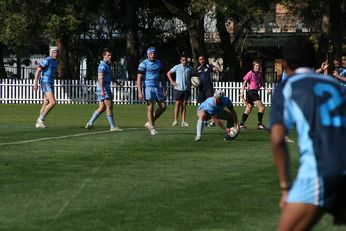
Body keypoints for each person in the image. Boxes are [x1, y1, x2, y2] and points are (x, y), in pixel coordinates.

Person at [270, 37, 346, 230]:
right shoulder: (335, 85)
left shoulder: (288, 87)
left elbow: (278, 139)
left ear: (283, 63)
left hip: (321, 171)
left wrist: (286, 186)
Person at [85, 49, 122, 131]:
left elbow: (111, 76)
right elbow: (100, 79)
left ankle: (90, 123)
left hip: (104, 88)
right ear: (104, 56)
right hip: (104, 89)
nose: (110, 57)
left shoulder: (107, 65)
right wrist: (102, 90)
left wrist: (117, 83)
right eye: (108, 55)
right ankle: (112, 127)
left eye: (110, 55)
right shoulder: (102, 66)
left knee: (102, 108)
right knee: (109, 107)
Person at [137, 47, 167, 135]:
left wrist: (164, 87)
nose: (152, 55)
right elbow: (139, 78)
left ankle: (150, 122)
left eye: (153, 53)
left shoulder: (159, 63)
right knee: (150, 107)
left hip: (157, 87)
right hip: (148, 87)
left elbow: (162, 76)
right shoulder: (143, 64)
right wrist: (139, 91)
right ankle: (152, 128)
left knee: (163, 106)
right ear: (148, 54)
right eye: (151, 53)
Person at [239, 60, 271, 130]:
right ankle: (259, 124)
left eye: (259, 66)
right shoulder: (250, 73)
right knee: (262, 107)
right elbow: (244, 82)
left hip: (255, 92)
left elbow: (262, 83)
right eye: (256, 66)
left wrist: (267, 89)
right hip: (252, 92)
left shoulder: (259, 74)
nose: (258, 67)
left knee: (248, 108)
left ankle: (241, 124)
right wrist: (241, 92)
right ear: (253, 66)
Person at [33, 46, 59, 128]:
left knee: (46, 102)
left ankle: (39, 123)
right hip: (45, 82)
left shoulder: (55, 61)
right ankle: (40, 119)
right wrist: (36, 83)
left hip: (50, 83)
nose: (56, 54)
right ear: (51, 52)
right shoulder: (46, 60)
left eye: (57, 52)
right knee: (53, 102)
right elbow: (38, 71)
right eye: (54, 52)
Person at [167, 54, 194, 127]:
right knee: (177, 104)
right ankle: (175, 121)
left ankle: (183, 121)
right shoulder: (177, 67)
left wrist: (191, 83)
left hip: (186, 89)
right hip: (178, 89)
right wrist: (172, 82)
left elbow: (194, 76)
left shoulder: (190, 68)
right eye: (183, 60)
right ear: (180, 60)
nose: (185, 61)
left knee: (184, 105)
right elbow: (168, 73)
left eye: (185, 60)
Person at [196, 55, 220, 127]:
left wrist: (215, 69)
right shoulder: (198, 68)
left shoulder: (208, 66)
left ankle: (213, 121)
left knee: (211, 105)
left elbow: (214, 68)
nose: (202, 60)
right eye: (200, 59)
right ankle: (204, 120)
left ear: (204, 59)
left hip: (209, 88)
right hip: (201, 89)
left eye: (203, 59)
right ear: (199, 60)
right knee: (202, 106)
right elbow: (195, 78)